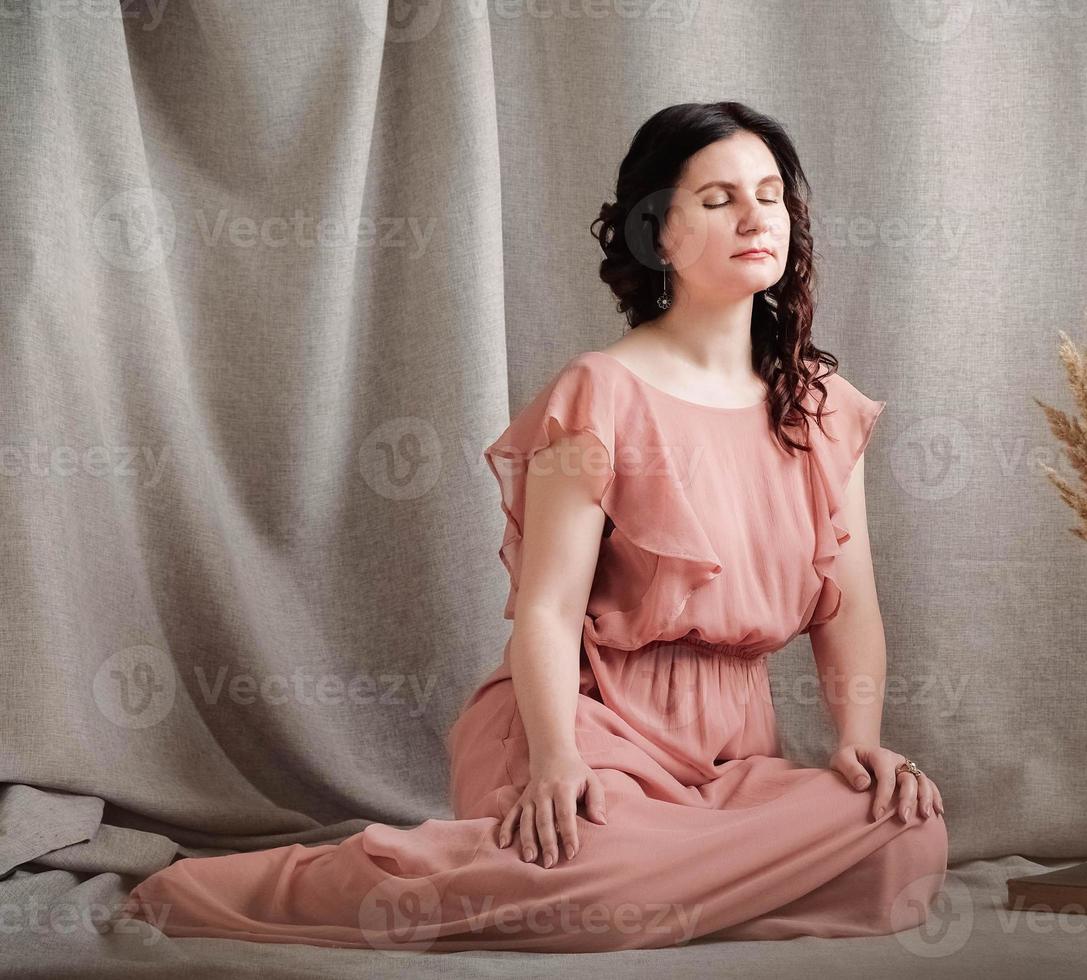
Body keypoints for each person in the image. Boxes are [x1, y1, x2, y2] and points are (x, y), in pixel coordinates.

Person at [119, 101, 948, 953]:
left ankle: (680, 877)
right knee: (601, 868)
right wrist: (557, 759)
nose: (753, 217)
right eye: (718, 199)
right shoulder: (598, 394)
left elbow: (850, 606)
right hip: (581, 718)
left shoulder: (817, 407)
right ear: (657, 234)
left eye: (770, 196)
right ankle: (276, 889)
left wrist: (859, 746)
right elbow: (548, 610)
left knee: (907, 839)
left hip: (736, 749)